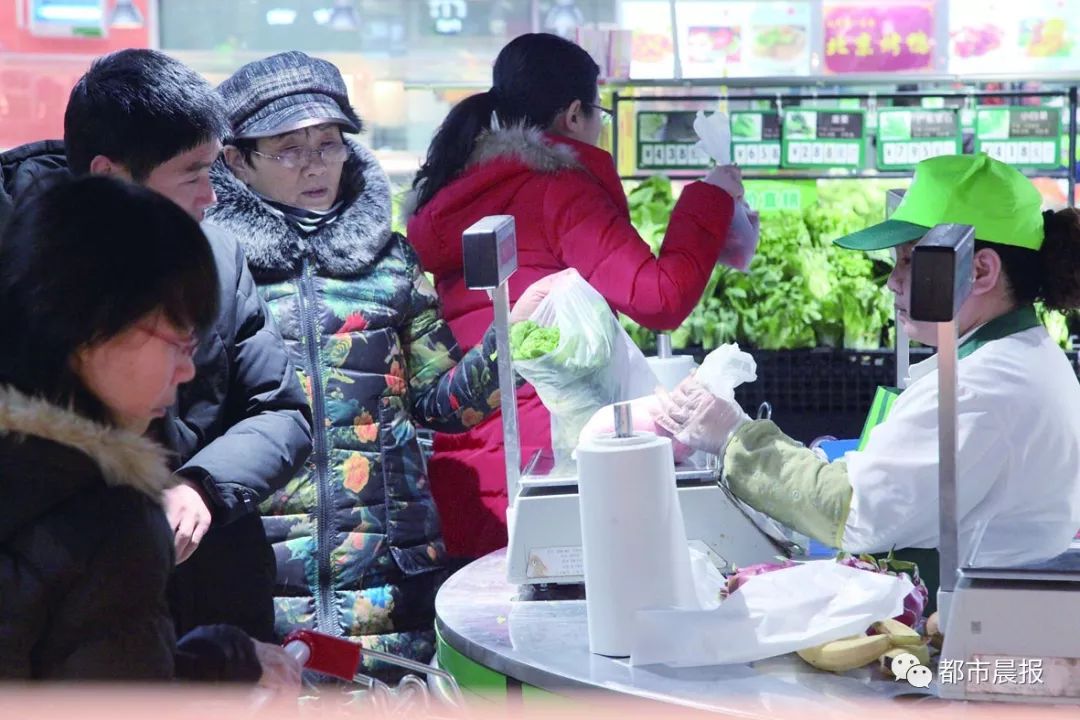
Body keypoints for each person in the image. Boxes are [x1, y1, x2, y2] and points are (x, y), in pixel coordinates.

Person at [207, 51, 553, 677]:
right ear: (237, 161)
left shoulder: (390, 260)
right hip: (257, 578)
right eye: (289, 149)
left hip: (390, 579)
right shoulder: (215, 268)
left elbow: (440, 403)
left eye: (329, 143)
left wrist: (514, 340)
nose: (315, 164)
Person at [655, 154, 1080, 604]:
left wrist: (734, 436)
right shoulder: (1021, 356)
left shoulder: (979, 388)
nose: (893, 282)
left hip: (970, 631)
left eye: (911, 262)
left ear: (980, 271)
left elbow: (853, 510)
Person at [0, 49, 313, 644]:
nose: (211, 196)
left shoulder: (218, 259)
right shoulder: (22, 274)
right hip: (71, 606)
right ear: (110, 176)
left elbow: (280, 407)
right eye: (192, 173)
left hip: (216, 592)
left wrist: (201, 487)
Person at [405, 33, 749, 562]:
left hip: (467, 464)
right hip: (550, 459)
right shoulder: (556, 187)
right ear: (573, 114)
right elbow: (660, 298)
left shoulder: (462, 187)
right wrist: (711, 199)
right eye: (598, 114)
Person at [0, 175, 298, 691]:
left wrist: (220, 664)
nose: (186, 372)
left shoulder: (35, 470)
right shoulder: (103, 516)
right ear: (92, 328)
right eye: (179, 341)